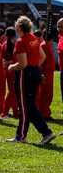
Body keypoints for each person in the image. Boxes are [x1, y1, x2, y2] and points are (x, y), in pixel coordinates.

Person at [7, 16, 57, 145]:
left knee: (25, 106)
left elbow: (22, 64)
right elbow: (43, 56)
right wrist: (34, 67)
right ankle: (27, 134)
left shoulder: (21, 41)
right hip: (34, 73)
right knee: (29, 106)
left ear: (19, 27)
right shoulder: (34, 39)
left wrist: (12, 66)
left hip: (25, 75)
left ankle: (38, 133)